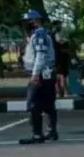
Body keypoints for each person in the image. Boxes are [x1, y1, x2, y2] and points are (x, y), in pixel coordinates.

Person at [19, 10, 59, 144]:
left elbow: (40, 56)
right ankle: (51, 131)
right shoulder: (37, 35)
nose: (25, 25)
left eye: (27, 22)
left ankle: (37, 134)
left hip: (41, 74)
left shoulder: (39, 35)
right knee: (48, 104)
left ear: (35, 22)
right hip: (46, 74)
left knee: (33, 104)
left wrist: (35, 74)